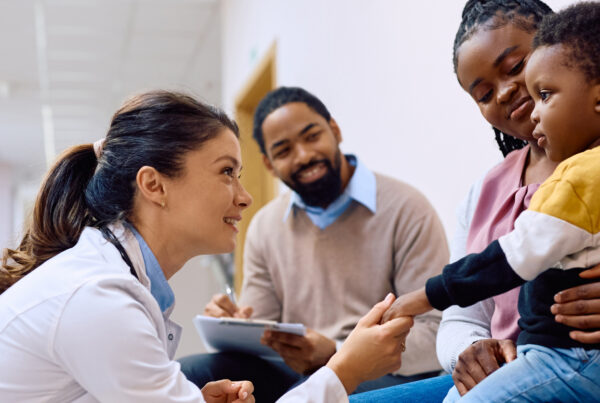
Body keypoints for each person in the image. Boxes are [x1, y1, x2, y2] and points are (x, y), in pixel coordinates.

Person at [0, 90, 413, 402]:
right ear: (154, 185)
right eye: (227, 172)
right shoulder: (98, 297)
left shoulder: (113, 280)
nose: (245, 196)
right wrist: (344, 370)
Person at [351, 0, 600, 401]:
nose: (504, 92)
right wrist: (466, 352)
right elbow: (461, 317)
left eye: (516, 66)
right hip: (505, 371)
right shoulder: (485, 195)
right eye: (483, 93)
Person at [180, 86, 449, 401]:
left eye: (311, 137)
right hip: (296, 371)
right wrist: (234, 327)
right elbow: (262, 334)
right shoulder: (265, 226)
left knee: (312, 391)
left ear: (335, 130)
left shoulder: (406, 208)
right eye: (284, 151)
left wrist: (336, 353)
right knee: (191, 375)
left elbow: (435, 331)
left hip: (383, 371)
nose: (304, 156)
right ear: (269, 164)